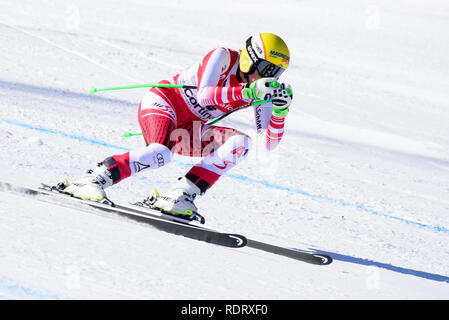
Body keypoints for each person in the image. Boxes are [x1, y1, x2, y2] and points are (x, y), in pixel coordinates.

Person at [62, 33, 293, 222]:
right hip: (164, 103)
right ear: (249, 59)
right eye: (265, 68)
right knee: (160, 154)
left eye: (275, 72)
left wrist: (280, 112)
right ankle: (93, 179)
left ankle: (180, 195)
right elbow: (204, 97)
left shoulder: (259, 89)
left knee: (241, 143)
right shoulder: (222, 57)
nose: (268, 77)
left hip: (190, 127)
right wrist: (248, 92)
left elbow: (268, 143)